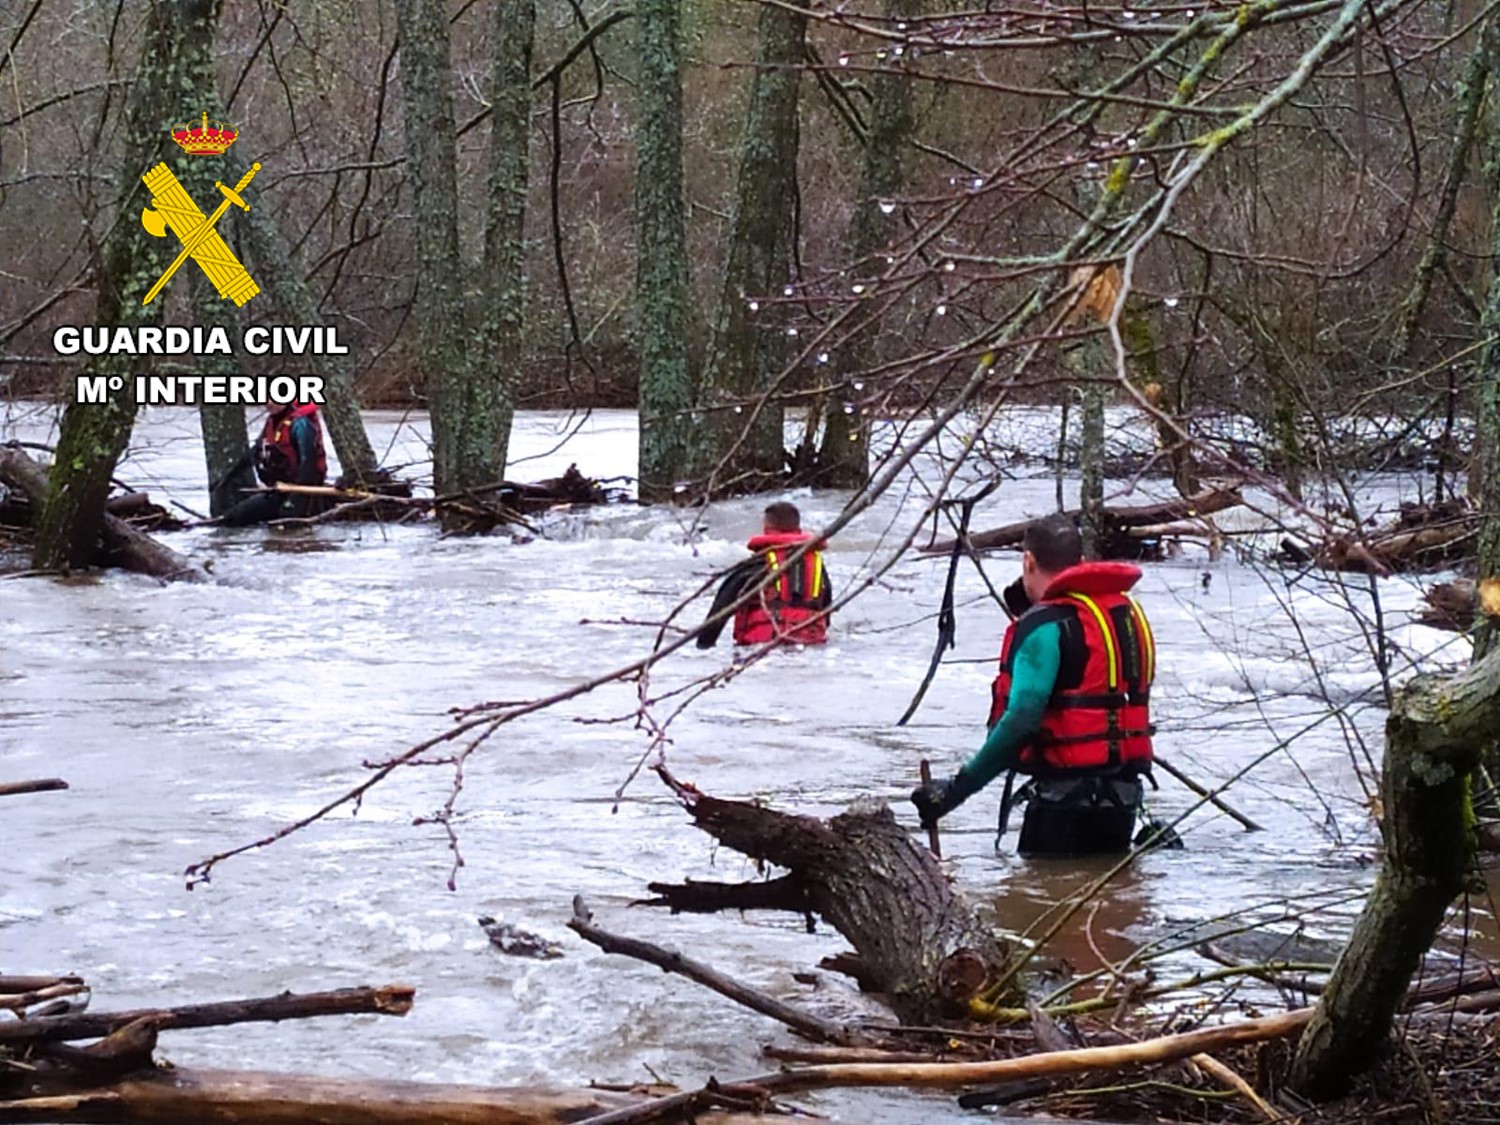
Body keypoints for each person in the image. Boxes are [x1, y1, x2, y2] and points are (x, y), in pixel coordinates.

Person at [911, 513, 1156, 857]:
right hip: (1124, 799)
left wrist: (954, 791)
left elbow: (1022, 719)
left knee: (1039, 904)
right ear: (1080, 562)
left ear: (1028, 561)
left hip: (1062, 806)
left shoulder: (1043, 627)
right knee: (1108, 902)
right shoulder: (1127, 615)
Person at [696, 501, 832, 648]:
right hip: (810, 646)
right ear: (798, 529)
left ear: (767, 528)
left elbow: (720, 610)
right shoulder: (817, 567)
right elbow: (826, 613)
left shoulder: (757, 564)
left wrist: (703, 646)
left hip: (763, 648)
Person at [219, 399, 328, 527]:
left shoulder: (300, 424)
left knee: (287, 521)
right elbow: (254, 453)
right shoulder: (271, 422)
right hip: (279, 490)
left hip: (304, 491)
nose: (270, 403)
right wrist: (228, 478)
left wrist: (295, 497)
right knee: (234, 518)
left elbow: (309, 465)